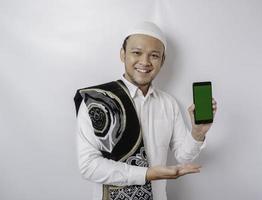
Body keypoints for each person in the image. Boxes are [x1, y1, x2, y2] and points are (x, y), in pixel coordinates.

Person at [74, 21, 217, 200]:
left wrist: (197, 133)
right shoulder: (96, 101)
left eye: (154, 55)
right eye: (137, 52)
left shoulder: (168, 103)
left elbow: (183, 156)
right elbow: (89, 166)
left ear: (162, 60)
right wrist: (147, 174)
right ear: (123, 54)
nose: (145, 62)